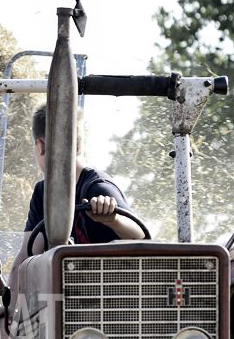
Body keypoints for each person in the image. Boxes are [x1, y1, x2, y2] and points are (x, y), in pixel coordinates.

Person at [19, 105, 145, 255]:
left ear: (40, 146)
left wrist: (114, 220)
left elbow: (142, 240)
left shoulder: (97, 189)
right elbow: (27, 256)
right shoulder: (42, 193)